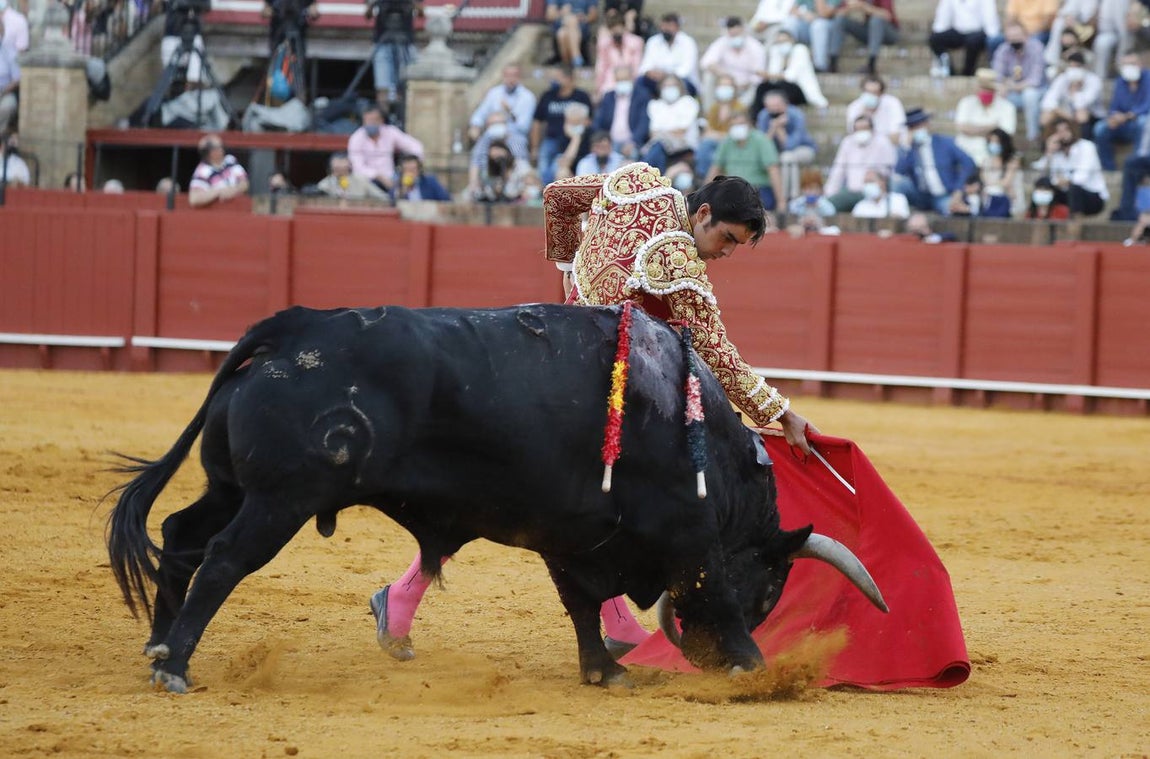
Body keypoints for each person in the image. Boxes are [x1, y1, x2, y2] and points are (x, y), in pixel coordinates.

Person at [369, 165, 819, 662]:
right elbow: (717, 353)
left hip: (555, 356)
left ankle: (616, 622)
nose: (725, 253)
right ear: (704, 213)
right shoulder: (679, 261)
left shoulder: (636, 182)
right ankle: (408, 596)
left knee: (541, 499)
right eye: (726, 239)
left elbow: (558, 197)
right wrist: (779, 412)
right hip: (599, 393)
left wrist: (567, 269)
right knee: (581, 502)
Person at [893, 108, 977, 215]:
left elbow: (968, 163)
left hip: (944, 194)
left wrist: (959, 189)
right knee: (896, 183)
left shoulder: (944, 143)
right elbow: (899, 172)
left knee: (952, 209)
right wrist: (906, 147)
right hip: (920, 195)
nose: (916, 130)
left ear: (927, 125)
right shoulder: (909, 150)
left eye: (919, 126)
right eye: (912, 128)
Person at [705, 109, 786, 210]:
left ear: (749, 124)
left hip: (757, 189)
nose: (737, 128)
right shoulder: (727, 141)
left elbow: (773, 171)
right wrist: (704, 197)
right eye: (733, 125)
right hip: (731, 189)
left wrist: (781, 202)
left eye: (741, 124)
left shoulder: (761, 140)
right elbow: (715, 168)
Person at [530, 65, 593, 185]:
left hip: (577, 141)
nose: (555, 81)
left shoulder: (581, 96)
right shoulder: (548, 96)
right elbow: (537, 121)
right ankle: (542, 189)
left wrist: (576, 134)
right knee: (546, 164)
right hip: (553, 139)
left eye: (558, 78)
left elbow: (589, 120)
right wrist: (534, 147)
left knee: (561, 169)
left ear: (569, 78)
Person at [824, 113, 897, 211]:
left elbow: (889, 171)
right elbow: (838, 171)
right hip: (852, 192)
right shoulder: (847, 142)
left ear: (872, 129)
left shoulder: (883, 143)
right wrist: (828, 194)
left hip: (876, 192)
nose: (861, 132)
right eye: (858, 129)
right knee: (829, 206)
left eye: (864, 128)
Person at [1092, 53, 1150, 170]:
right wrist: (1114, 116)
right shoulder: (1120, 81)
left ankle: (1137, 165)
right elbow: (1114, 106)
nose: (1129, 67)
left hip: (1139, 121)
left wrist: (1130, 115)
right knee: (1100, 128)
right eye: (1126, 64)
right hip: (1122, 123)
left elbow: (1147, 104)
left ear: (1140, 64)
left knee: (1144, 122)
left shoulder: (1148, 78)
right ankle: (1108, 168)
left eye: (1132, 63)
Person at [347, 104, 424, 192]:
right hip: (368, 181)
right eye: (367, 120)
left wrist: (412, 166)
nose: (370, 123)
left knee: (416, 183)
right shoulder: (356, 138)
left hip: (392, 179)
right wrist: (379, 177)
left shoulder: (390, 131)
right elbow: (358, 168)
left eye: (374, 120)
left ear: (381, 121)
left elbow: (416, 146)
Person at [756, 91, 817, 202]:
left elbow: (790, 145)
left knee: (787, 157)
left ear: (785, 104)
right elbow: (762, 144)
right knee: (782, 157)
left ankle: (790, 197)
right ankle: (780, 198)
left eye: (777, 107)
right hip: (777, 153)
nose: (774, 110)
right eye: (771, 107)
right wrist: (773, 128)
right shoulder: (764, 115)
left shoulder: (796, 115)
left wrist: (780, 129)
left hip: (804, 149)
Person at [992, 21, 1047, 142]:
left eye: (1017, 36)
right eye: (1011, 37)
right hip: (1013, 93)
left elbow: (1035, 80)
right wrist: (1002, 86)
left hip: (1039, 91)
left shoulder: (1036, 47)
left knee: (1029, 94)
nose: (1014, 40)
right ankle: (1002, 137)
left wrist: (1012, 86)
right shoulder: (1003, 50)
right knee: (997, 95)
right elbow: (997, 76)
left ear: (1026, 35)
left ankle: (1033, 136)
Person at [1044, 116, 1108, 216]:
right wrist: (1049, 152)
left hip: (1092, 196)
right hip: (1066, 194)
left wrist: (1063, 181)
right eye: (1058, 131)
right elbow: (1047, 176)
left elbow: (1081, 177)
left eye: (1066, 129)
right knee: (1043, 185)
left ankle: (1074, 228)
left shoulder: (1087, 147)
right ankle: (1041, 225)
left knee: (1074, 189)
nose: (1063, 134)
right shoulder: (1056, 153)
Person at [954, 68, 1017, 166]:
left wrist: (973, 129)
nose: (985, 92)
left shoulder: (1007, 107)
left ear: (994, 90)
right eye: (982, 88)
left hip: (992, 157)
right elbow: (962, 127)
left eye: (988, 89)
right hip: (965, 152)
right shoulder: (966, 103)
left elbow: (1005, 134)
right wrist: (992, 127)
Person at [754, 28, 828, 110]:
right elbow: (773, 76)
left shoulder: (800, 50)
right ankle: (757, 118)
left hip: (799, 90)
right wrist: (768, 75)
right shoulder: (776, 51)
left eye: (785, 41)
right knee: (762, 87)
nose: (782, 45)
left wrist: (768, 75)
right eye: (779, 42)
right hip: (781, 87)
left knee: (785, 86)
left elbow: (790, 76)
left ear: (792, 40)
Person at [698, 17, 765, 107]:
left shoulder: (755, 47)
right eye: (732, 35)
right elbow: (706, 63)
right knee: (708, 76)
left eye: (737, 34)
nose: (735, 37)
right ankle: (709, 111)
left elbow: (758, 75)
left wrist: (742, 85)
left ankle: (741, 110)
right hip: (725, 84)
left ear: (743, 30)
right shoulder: (722, 42)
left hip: (746, 86)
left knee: (757, 86)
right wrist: (726, 77)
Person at [641, 74, 699, 172]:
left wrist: (663, 133)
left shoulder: (688, 102)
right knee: (658, 147)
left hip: (683, 147)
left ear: (680, 87)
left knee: (658, 147)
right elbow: (652, 133)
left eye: (673, 86)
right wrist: (667, 133)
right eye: (666, 86)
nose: (669, 89)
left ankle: (645, 174)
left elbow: (681, 131)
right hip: (660, 145)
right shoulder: (656, 105)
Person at [1039, 52, 1104, 139]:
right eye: (1071, 66)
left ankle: (1083, 142)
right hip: (1066, 113)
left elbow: (1083, 104)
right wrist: (1061, 112)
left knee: (1081, 114)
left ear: (1084, 67)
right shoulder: (1062, 78)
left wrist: (1075, 90)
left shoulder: (1094, 80)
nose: (1074, 70)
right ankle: (1047, 146)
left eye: (1077, 66)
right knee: (1046, 115)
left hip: (1092, 117)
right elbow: (1048, 101)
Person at [366, 0, 420, 106]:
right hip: (383, 40)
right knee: (382, 86)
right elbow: (367, 15)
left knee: (406, 84)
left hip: (405, 41)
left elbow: (421, 12)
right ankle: (383, 119)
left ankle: (403, 116)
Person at [928, 0, 1000, 77]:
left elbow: (989, 16)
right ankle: (949, 72)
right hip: (958, 31)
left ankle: (967, 73)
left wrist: (992, 38)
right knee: (935, 39)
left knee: (973, 41)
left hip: (977, 32)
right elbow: (942, 17)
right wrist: (937, 34)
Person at [467, 64, 537, 142]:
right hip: (492, 135)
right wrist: (476, 125)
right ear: (503, 76)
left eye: (514, 75)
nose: (510, 79)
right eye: (507, 75)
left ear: (519, 77)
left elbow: (524, 127)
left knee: (517, 150)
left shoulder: (527, 97)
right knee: (478, 152)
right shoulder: (494, 93)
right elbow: (480, 114)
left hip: (515, 136)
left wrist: (508, 114)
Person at [637, 13, 699, 92]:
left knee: (682, 84)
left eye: (670, 26)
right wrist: (650, 72)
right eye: (664, 26)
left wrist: (666, 75)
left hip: (681, 80)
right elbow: (645, 66)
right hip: (657, 79)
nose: (666, 29)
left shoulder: (688, 42)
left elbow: (686, 70)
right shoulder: (653, 41)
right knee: (641, 81)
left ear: (677, 27)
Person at [835, 0, 900, 75]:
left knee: (876, 20)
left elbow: (887, 15)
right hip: (869, 33)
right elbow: (837, 13)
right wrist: (849, 8)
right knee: (840, 20)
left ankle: (871, 65)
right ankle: (832, 63)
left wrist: (864, 7)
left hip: (890, 33)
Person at [695, 73, 741, 178]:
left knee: (714, 154)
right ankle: (706, 179)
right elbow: (707, 133)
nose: (724, 89)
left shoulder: (739, 107)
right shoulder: (714, 108)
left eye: (728, 86)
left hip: (733, 145)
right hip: (715, 145)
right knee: (706, 148)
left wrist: (717, 135)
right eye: (722, 86)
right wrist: (719, 135)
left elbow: (735, 135)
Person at [188, 133, 249, 208]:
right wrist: (218, 191)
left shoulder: (230, 160)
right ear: (211, 152)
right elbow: (194, 199)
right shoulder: (202, 171)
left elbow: (244, 183)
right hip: (216, 213)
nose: (222, 149)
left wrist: (234, 190)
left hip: (238, 208)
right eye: (220, 147)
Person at [470, 111, 531, 184]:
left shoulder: (518, 140)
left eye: (499, 123)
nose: (496, 126)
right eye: (493, 124)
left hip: (514, 178)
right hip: (489, 177)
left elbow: (522, 165)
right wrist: (473, 185)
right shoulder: (482, 142)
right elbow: (475, 164)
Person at [845, 73, 907, 145]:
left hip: (888, 148)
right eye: (868, 92)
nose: (871, 95)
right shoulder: (854, 107)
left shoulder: (893, 104)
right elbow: (853, 135)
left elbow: (895, 137)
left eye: (875, 92)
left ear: (881, 94)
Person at [594, 11, 644, 100]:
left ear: (624, 28)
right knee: (607, 92)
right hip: (611, 77)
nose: (617, 32)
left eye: (619, 29)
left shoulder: (636, 42)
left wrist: (628, 77)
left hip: (630, 77)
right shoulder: (604, 43)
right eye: (614, 30)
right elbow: (601, 67)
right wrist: (598, 87)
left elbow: (637, 66)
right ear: (610, 30)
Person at [591, 65, 638, 157]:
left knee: (633, 157)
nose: (622, 83)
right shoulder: (608, 97)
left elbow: (643, 123)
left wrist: (633, 142)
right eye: (619, 80)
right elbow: (599, 121)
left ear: (632, 79)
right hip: (610, 141)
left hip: (632, 142)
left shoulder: (641, 96)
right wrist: (602, 140)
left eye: (625, 79)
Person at [470, 138, 530, 203]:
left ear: (506, 150)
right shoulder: (492, 173)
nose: (497, 159)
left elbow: (531, 183)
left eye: (499, 154)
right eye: (494, 157)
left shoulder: (520, 165)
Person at [981, 128, 1023, 212]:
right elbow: (983, 180)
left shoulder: (1013, 160)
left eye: (996, 141)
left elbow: (1006, 183)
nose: (993, 144)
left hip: (1010, 198)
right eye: (991, 141)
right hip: (990, 198)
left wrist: (991, 185)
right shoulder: (986, 161)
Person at [316, 151, 389, 200]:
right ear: (331, 168)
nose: (340, 171)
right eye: (337, 169)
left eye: (344, 168)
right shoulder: (324, 185)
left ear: (349, 167)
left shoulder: (361, 180)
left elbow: (382, 197)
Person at [546, 0, 598, 68]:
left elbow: (594, 15)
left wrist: (583, 18)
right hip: (561, 25)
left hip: (580, 28)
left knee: (562, 33)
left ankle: (567, 64)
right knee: (565, 27)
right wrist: (562, 13)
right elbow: (550, 15)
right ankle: (576, 57)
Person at [550, 101, 593, 180]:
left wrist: (576, 137)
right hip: (570, 170)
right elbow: (566, 163)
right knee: (562, 173)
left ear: (586, 121)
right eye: (570, 122)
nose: (573, 126)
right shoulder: (564, 135)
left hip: (588, 170)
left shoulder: (592, 134)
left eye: (576, 123)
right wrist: (575, 139)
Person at [947, 171, 1011, 217]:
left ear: (976, 186)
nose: (965, 189)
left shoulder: (1002, 200)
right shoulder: (964, 201)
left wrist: (972, 210)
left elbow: (1001, 215)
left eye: (968, 187)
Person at [0, 20, 17, 133]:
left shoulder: (9, 50)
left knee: (7, 106)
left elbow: (17, 79)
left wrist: (2, 91)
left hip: (4, 92)